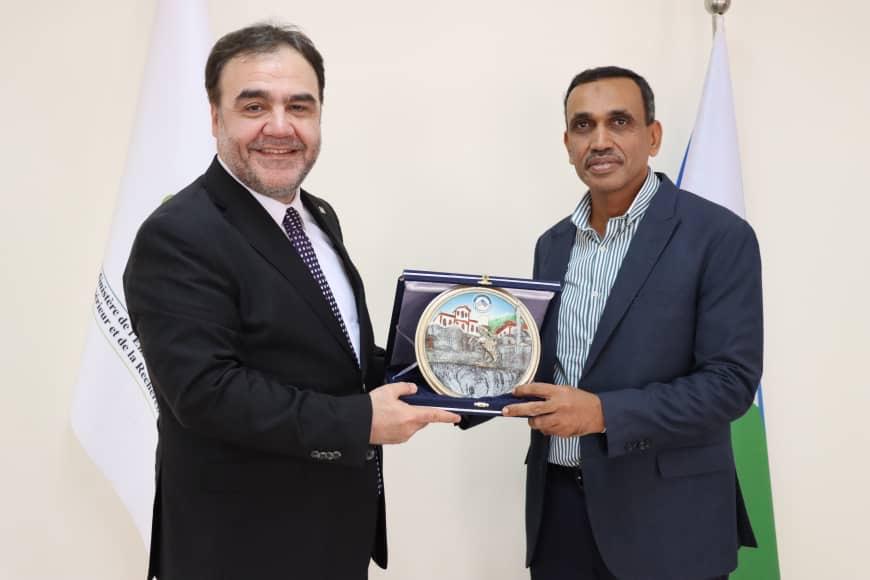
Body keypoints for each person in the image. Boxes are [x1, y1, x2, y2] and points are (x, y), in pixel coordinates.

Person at [123, 23, 459, 580]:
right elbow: (206, 392)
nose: (280, 127)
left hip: (332, 535)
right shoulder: (179, 233)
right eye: (254, 106)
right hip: (238, 548)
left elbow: (333, 356)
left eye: (299, 106)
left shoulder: (317, 216)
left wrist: (457, 373)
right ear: (215, 117)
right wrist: (360, 421)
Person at [502, 66, 761, 580]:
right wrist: (456, 382)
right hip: (560, 516)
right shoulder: (552, 244)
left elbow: (730, 384)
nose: (599, 140)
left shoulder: (718, 236)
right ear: (568, 144)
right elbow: (539, 364)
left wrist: (602, 413)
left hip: (669, 521)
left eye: (619, 121)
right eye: (583, 125)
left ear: (653, 136)